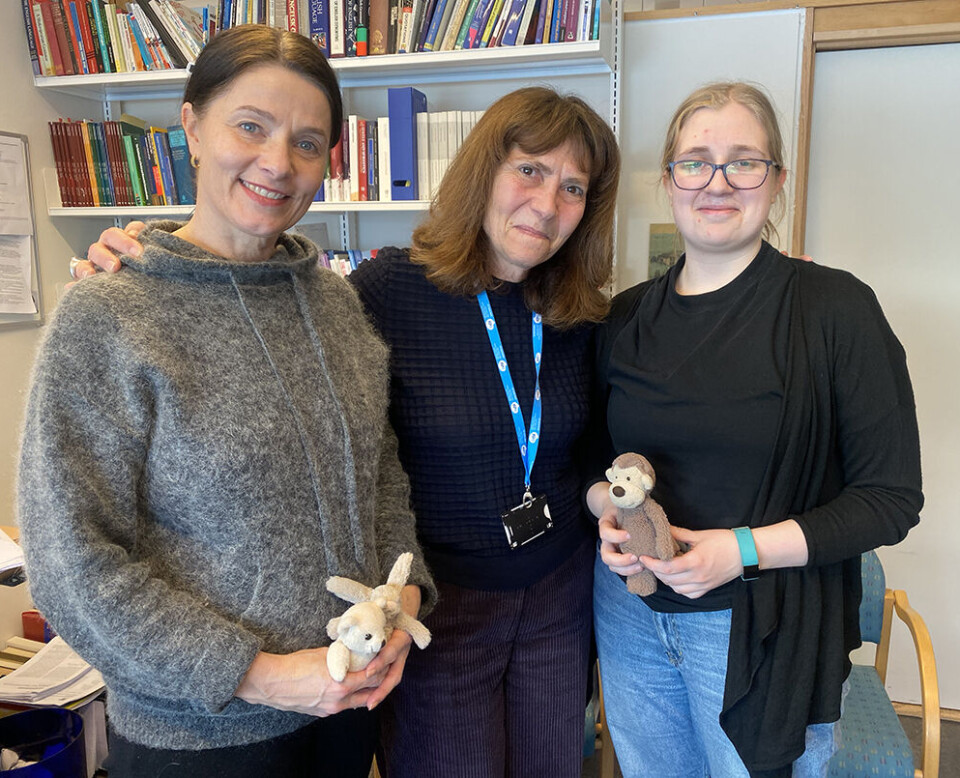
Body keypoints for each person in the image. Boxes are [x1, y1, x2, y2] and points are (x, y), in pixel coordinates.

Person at [75, 85, 621, 777]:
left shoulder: (580, 314)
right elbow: (283, 372)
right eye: (530, 170)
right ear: (485, 170)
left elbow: (595, 449)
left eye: (573, 187)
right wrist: (147, 268)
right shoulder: (388, 289)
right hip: (436, 609)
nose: (546, 205)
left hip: (557, 599)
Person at [18, 25, 435, 778]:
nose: (278, 163)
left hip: (345, 715)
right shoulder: (109, 314)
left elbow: (382, 483)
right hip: (199, 740)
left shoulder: (336, 306)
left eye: (307, 143)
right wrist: (263, 675)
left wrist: (402, 604)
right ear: (192, 126)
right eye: (251, 126)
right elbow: (71, 564)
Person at [585, 81, 922, 778]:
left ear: (777, 180)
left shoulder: (836, 310)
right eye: (695, 161)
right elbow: (594, 466)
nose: (717, 181)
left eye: (743, 161)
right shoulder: (623, 318)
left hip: (761, 627)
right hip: (630, 618)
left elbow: (891, 497)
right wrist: (606, 520)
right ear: (670, 179)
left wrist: (741, 550)